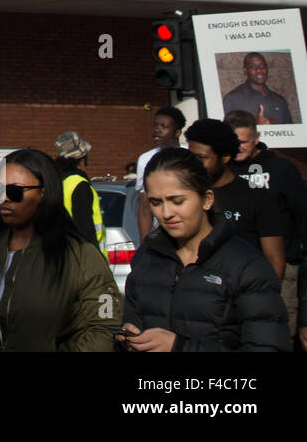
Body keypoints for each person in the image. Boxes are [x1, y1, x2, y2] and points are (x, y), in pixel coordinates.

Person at [119, 147, 288, 351]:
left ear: (207, 199)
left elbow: (268, 347)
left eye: (177, 201)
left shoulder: (248, 265)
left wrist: (180, 347)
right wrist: (128, 340)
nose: (166, 213)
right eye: (156, 202)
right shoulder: (146, 258)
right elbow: (132, 321)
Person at [0, 149, 120, 351]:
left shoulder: (80, 255)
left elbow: (104, 328)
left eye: (15, 191)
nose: (4, 199)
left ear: (44, 192)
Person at [228, 109, 307, 348]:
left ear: (256, 138)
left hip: (280, 269)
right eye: (233, 142)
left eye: (243, 142)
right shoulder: (220, 172)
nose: (238, 147)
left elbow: (303, 219)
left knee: (275, 339)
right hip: (231, 271)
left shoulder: (283, 169)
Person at [184, 118, 286, 280]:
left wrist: (264, 300)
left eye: (201, 158)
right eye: (190, 158)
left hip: (246, 292)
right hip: (199, 295)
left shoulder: (258, 197)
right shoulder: (186, 196)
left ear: (224, 157)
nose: (193, 165)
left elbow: (275, 259)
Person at [136, 106, 184, 243]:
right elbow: (145, 208)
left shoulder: (190, 155)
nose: (157, 130)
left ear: (177, 132)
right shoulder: (145, 159)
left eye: (163, 126)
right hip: (163, 235)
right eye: (155, 125)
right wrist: (144, 246)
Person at [53, 131, 106, 255]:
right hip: (83, 259)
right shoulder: (79, 184)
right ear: (82, 158)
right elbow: (85, 230)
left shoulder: (56, 181)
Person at [222, 52, 292, 126]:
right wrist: (256, 127)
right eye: (253, 67)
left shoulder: (280, 101)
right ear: (245, 70)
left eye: (262, 66)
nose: (259, 70)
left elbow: (292, 132)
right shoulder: (232, 99)